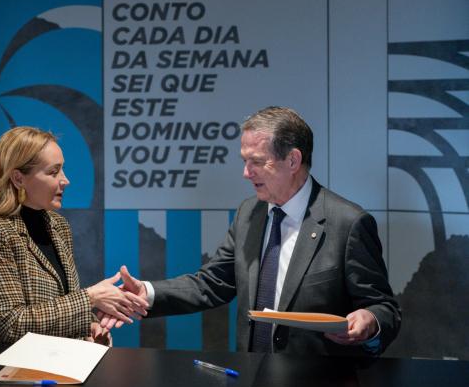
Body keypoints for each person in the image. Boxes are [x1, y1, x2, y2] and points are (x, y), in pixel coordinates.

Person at [101, 107, 401, 356]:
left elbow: (384, 308)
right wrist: (148, 292)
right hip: (252, 381)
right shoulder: (249, 214)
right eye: (245, 161)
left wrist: (370, 320)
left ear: (292, 160)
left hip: (321, 384)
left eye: (256, 162)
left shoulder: (347, 223)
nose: (246, 173)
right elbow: (213, 283)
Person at [0, 126, 147, 343]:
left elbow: (60, 303)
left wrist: (90, 326)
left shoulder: (58, 225)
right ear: (18, 179)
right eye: (53, 172)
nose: (65, 180)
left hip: (56, 367)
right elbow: (12, 324)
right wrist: (91, 297)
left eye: (63, 170)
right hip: (7, 372)